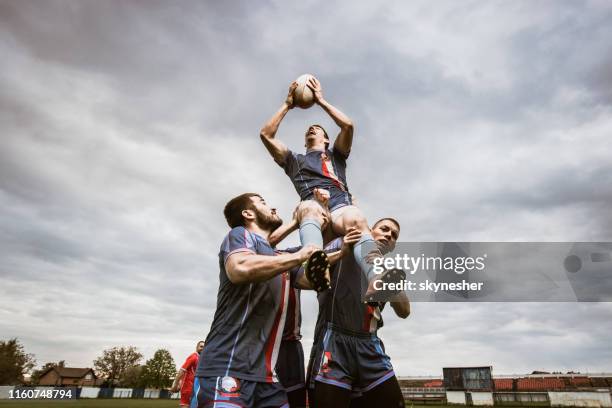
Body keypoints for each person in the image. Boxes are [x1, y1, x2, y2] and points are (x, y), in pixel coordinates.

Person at [195, 193, 351, 407]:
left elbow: (308, 279)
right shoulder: (240, 235)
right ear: (248, 213)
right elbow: (240, 268)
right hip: (227, 367)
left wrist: (340, 250)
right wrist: (301, 253)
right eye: (263, 202)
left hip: (268, 379)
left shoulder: (277, 258)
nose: (273, 207)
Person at [260, 76, 387, 291]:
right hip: (315, 213)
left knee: (356, 216)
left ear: (326, 140)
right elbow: (266, 135)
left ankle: (376, 278)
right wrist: (288, 105)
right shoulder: (294, 161)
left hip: (340, 207)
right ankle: (315, 264)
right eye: (309, 129)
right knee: (308, 206)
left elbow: (347, 126)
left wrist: (320, 100)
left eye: (317, 128)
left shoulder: (335, 155)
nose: (312, 129)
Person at [306, 218, 410, 408]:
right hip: (334, 340)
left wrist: (392, 287)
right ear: (370, 230)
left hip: (369, 344)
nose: (389, 235)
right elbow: (310, 270)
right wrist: (339, 254)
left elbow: (404, 311)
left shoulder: (388, 270)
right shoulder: (344, 243)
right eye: (384, 229)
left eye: (394, 235)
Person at [171, 340, 205, 407]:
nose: (202, 348)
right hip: (187, 388)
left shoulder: (200, 358)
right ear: (197, 347)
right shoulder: (193, 357)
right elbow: (181, 371)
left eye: (204, 347)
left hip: (194, 388)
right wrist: (175, 385)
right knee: (185, 406)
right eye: (201, 346)